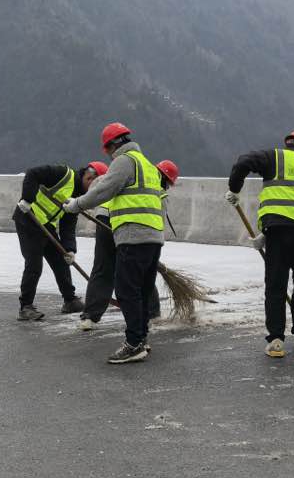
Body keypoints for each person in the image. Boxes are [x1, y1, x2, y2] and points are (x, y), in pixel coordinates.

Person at [62, 123, 166, 365]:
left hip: (133, 235)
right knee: (141, 290)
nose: (108, 155)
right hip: (153, 236)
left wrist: (75, 204)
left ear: (111, 146)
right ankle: (141, 339)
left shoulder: (124, 161)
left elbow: (103, 191)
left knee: (126, 291)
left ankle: (133, 344)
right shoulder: (147, 164)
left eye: (107, 150)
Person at [228, 129, 294, 358]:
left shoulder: (274, 157)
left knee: (276, 285)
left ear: (289, 143)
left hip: (279, 231)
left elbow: (243, 162)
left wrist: (234, 189)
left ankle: (277, 341)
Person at [78, 159, 176, 332]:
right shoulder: (156, 188)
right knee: (140, 271)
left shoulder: (130, 173)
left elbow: (100, 186)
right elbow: (156, 221)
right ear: (165, 179)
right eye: (168, 184)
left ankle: (90, 317)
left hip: (104, 218)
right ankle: (152, 313)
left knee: (102, 268)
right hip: (128, 225)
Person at [13, 159, 87, 321]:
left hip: (46, 226)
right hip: (28, 218)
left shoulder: (77, 198)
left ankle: (70, 301)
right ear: (89, 176)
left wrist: (69, 249)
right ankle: (26, 307)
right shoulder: (64, 174)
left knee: (61, 261)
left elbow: (68, 225)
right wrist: (27, 199)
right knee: (34, 265)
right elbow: (33, 173)